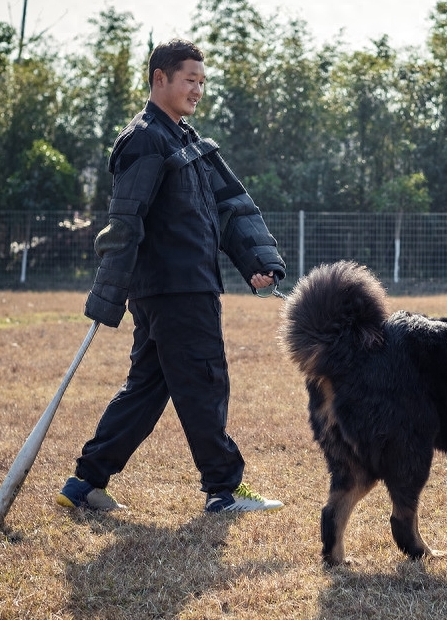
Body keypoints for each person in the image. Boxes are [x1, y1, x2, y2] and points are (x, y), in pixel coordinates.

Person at [57, 38, 286, 515]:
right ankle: (224, 489)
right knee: (204, 380)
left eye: (202, 82)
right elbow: (125, 222)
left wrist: (256, 261)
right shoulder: (144, 139)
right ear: (159, 78)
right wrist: (109, 294)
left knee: (146, 389)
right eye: (189, 80)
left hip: (184, 286)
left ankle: (85, 483)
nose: (197, 90)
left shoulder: (187, 141)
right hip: (175, 289)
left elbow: (229, 207)